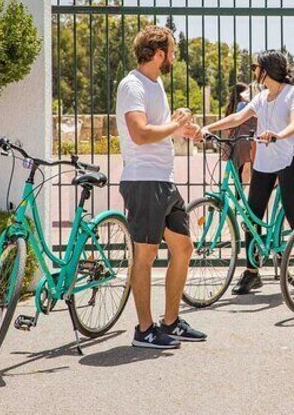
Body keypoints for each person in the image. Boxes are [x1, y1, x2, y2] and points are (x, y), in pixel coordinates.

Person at [116, 25, 207, 349]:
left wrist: (185, 131)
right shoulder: (133, 86)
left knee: (183, 247)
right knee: (146, 254)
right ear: (158, 54)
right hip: (143, 180)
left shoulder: (155, 85)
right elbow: (140, 133)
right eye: (171, 51)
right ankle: (144, 330)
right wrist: (175, 124)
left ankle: (170, 322)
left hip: (163, 180)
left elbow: (159, 129)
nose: (174, 56)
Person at [195, 50, 294, 296]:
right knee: (252, 215)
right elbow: (238, 117)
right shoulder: (261, 97)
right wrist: (209, 127)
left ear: (266, 70)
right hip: (266, 159)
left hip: (293, 156)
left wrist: (277, 135)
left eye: (255, 67)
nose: (253, 72)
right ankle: (252, 272)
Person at [222, 83, 255, 184]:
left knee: (237, 171)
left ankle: (239, 193)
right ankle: (242, 196)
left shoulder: (230, 108)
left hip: (233, 142)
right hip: (246, 140)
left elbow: (228, 128)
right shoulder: (246, 106)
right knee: (247, 170)